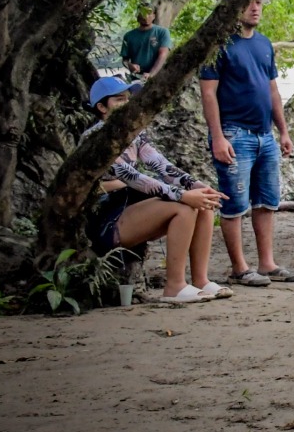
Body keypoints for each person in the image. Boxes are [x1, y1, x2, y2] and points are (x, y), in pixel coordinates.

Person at [83, 76, 231, 302]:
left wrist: (199, 187)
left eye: (128, 98)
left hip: (130, 208)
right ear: (101, 107)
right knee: (184, 208)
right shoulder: (96, 137)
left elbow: (162, 165)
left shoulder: (134, 133)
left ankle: (201, 280)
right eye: (118, 100)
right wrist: (182, 195)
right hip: (106, 220)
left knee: (203, 204)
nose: (127, 104)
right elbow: (133, 177)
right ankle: (174, 286)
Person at [199, 0, 294, 287]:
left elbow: (272, 90)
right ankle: (239, 267)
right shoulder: (218, 46)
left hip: (264, 134)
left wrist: (283, 131)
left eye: (258, 2)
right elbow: (208, 93)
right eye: (248, 3)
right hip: (234, 133)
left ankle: (266, 263)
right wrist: (217, 137)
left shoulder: (264, 44)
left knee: (267, 202)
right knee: (234, 204)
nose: (255, 8)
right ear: (233, 8)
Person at [120, 7, 172, 78]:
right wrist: (130, 65)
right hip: (136, 77)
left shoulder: (162, 32)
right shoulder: (128, 36)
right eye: (143, 13)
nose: (146, 16)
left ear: (154, 16)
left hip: (158, 76)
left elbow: (163, 55)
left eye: (149, 13)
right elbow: (124, 60)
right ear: (137, 17)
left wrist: (151, 74)